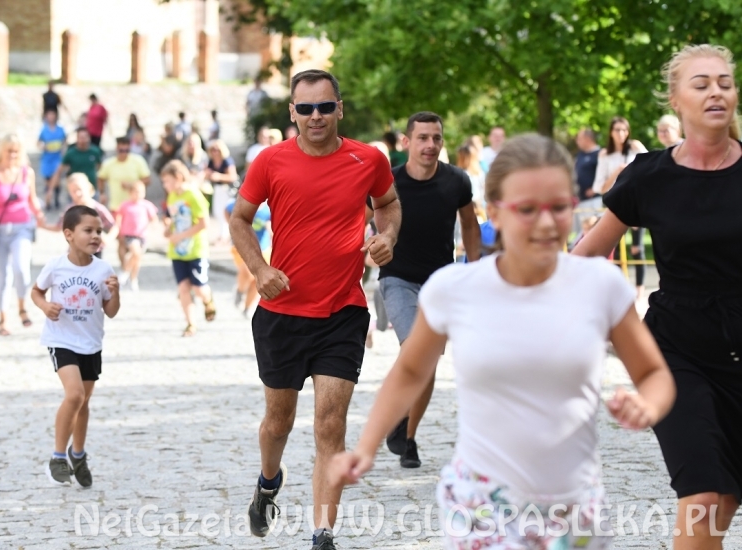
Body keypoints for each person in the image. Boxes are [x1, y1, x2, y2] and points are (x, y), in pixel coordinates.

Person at [331, 133, 675, 549]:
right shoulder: (455, 289)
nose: (546, 222)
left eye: (559, 207)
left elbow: (653, 373)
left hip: (573, 507)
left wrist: (648, 405)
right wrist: (366, 447)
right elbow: (409, 371)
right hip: (481, 504)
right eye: (527, 209)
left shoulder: (600, 285)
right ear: (494, 211)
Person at [574, 44, 742, 549]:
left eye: (725, 82)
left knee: (724, 500)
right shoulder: (649, 175)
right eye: (701, 84)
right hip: (674, 352)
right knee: (703, 494)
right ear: (675, 100)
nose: (716, 92)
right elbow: (585, 255)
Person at [230, 69, 400, 550]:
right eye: (305, 108)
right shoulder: (271, 161)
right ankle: (268, 482)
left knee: (330, 423)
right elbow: (239, 219)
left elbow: (388, 204)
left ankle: (322, 534)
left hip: (342, 312)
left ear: (339, 108)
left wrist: (386, 236)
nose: (316, 116)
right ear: (293, 112)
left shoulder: (368, 159)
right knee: (278, 423)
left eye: (325, 106)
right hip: (282, 313)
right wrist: (259, 268)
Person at [379, 112, 481, 470]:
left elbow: (470, 224)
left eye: (436, 138)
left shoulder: (456, 180)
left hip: (441, 283)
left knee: (429, 363)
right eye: (422, 137)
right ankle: (397, 415)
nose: (430, 144)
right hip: (398, 278)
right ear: (407, 142)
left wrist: (473, 270)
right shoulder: (389, 181)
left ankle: (407, 435)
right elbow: (363, 219)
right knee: (415, 347)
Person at [31, 205, 120, 487]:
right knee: (74, 395)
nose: (95, 236)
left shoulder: (103, 269)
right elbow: (36, 291)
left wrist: (115, 293)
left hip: (90, 343)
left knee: (83, 403)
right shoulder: (56, 266)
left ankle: (78, 455)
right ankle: (58, 457)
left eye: (99, 231)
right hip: (62, 340)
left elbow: (111, 311)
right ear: (68, 234)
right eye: (88, 230)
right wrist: (45, 306)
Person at [0, 134, 44, 336]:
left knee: (22, 269)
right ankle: (3, 319)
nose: (12, 155)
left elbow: (32, 199)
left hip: (22, 228)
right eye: (9, 150)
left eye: (16, 151)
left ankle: (22, 306)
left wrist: (40, 216)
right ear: (1, 151)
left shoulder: (26, 172)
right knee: (2, 276)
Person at [592, 116, 648, 298]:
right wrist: (618, 172)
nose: (621, 134)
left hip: (637, 204)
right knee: (614, 249)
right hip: (615, 206)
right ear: (611, 132)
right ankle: (620, 291)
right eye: (617, 130)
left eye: (624, 129)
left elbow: (651, 170)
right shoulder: (604, 154)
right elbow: (599, 187)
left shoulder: (635, 147)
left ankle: (640, 291)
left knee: (636, 248)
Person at [161, 160, 216, 336]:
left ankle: (207, 300)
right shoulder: (172, 196)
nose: (165, 185)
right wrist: (168, 228)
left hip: (195, 249)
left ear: (178, 177)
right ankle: (191, 324)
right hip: (177, 251)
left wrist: (181, 236)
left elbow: (204, 223)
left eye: (167, 181)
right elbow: (174, 218)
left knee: (198, 288)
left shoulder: (193, 194)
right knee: (183, 288)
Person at [96, 136, 151, 269]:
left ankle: (130, 268)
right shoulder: (109, 163)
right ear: (117, 149)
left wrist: (133, 185)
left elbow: (147, 179)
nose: (124, 153)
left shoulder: (137, 161)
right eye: (121, 150)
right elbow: (101, 178)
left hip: (135, 208)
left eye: (127, 150)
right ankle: (124, 268)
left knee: (134, 242)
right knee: (121, 240)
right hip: (117, 207)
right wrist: (102, 193)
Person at [38, 174, 115, 259]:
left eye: (79, 189)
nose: (78, 193)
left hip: (94, 251)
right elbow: (59, 226)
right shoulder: (70, 210)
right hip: (75, 251)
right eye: (73, 191)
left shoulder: (97, 208)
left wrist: (108, 239)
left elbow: (113, 226)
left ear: (88, 188)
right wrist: (43, 225)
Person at [224, 197, 271, 317]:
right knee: (249, 272)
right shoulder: (242, 203)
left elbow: (272, 227)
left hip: (263, 247)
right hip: (242, 245)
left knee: (258, 280)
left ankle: (247, 307)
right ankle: (240, 291)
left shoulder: (268, 210)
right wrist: (232, 226)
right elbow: (227, 209)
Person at [115, 181, 158, 291]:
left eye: (141, 192)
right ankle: (124, 273)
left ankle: (133, 278)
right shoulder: (125, 205)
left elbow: (154, 218)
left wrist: (153, 226)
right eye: (136, 192)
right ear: (130, 193)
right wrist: (118, 230)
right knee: (136, 253)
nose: (138, 194)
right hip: (129, 235)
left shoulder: (146, 205)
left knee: (137, 258)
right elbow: (119, 217)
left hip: (142, 235)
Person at [204, 139, 238, 243]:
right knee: (217, 211)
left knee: (225, 211)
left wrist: (219, 176)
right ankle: (223, 234)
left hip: (227, 189)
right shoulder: (211, 161)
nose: (215, 152)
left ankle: (225, 235)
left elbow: (233, 176)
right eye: (213, 150)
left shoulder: (227, 161)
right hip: (217, 189)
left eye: (217, 150)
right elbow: (207, 173)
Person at [54, 127, 103, 199]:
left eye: (85, 137)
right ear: (77, 138)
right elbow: (60, 170)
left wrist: (101, 191)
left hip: (92, 188)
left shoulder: (95, 152)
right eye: (81, 137)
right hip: (75, 190)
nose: (83, 140)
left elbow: (100, 169)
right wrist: (51, 189)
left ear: (89, 138)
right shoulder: (71, 153)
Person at [573, 127, 602, 237]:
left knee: (591, 231)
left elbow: (604, 175)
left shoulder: (599, 154)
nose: (577, 142)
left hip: (593, 200)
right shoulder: (580, 154)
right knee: (580, 233)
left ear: (588, 139)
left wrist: (595, 189)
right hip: (580, 199)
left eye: (579, 139)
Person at [39, 111, 68, 210]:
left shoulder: (60, 129)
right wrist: (43, 146)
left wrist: (63, 148)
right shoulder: (44, 129)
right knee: (48, 181)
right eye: (49, 115)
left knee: (56, 179)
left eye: (53, 115)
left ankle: (56, 199)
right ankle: (48, 200)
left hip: (57, 158)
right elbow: (39, 142)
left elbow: (65, 141)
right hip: (47, 158)